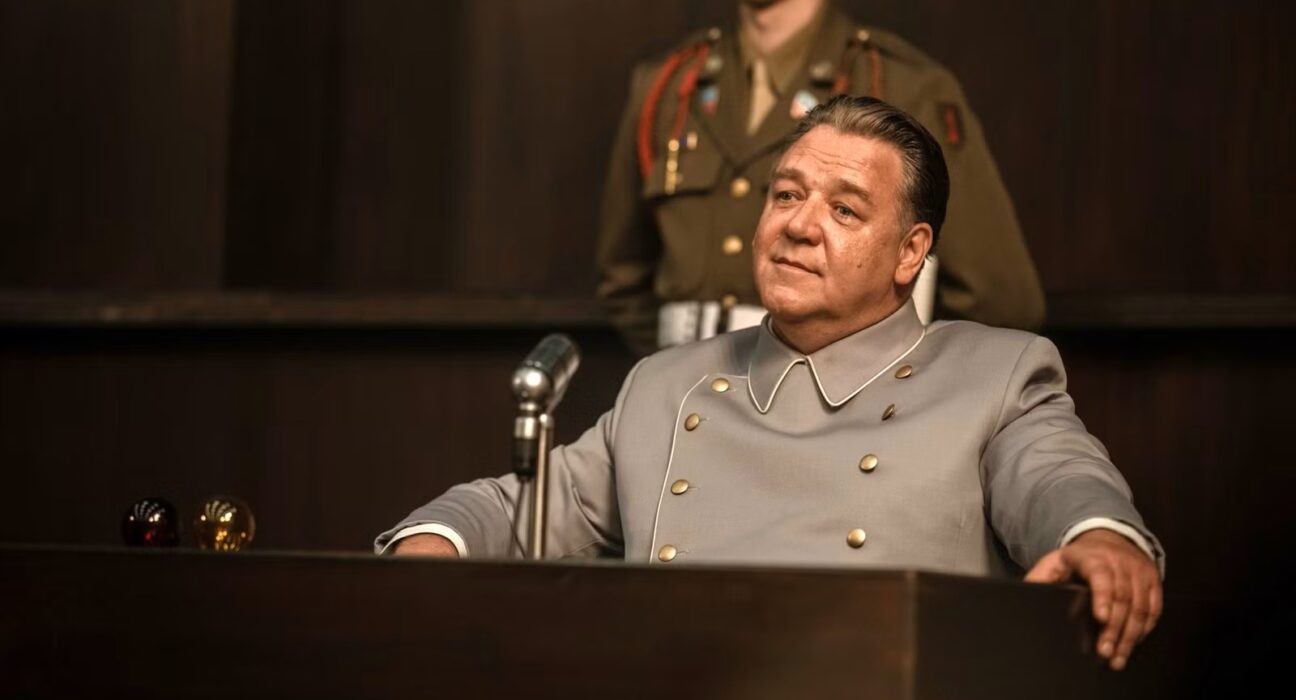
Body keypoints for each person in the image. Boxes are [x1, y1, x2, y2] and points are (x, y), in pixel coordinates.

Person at [379, 96, 1163, 671]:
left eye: (845, 210)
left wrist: (1100, 537)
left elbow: (1059, 476)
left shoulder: (994, 373)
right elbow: (526, 508)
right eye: (786, 194)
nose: (798, 224)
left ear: (910, 252)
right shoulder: (668, 385)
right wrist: (434, 543)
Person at [597, 0, 1045, 356]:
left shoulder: (901, 85)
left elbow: (999, 299)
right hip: (685, 393)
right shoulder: (668, 85)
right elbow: (623, 279)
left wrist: (897, 395)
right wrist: (678, 374)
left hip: (844, 408)